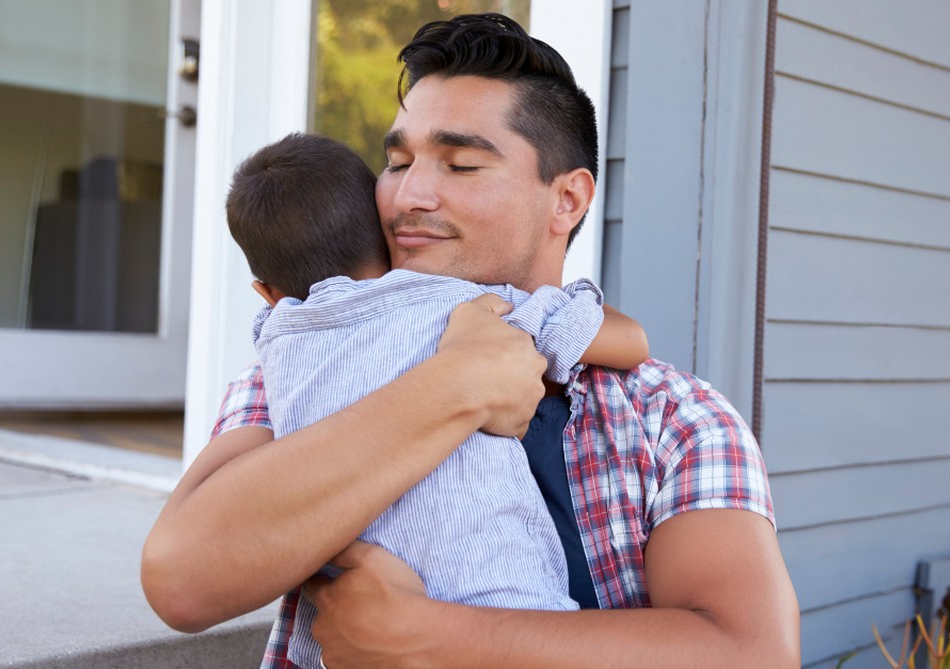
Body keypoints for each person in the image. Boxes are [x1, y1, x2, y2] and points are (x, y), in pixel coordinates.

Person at [142, 12, 801, 669]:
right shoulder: (306, 360)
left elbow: (752, 653)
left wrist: (429, 636)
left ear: (566, 200)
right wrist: (452, 387)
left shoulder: (674, 419)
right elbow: (183, 580)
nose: (408, 194)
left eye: (459, 164)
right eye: (397, 161)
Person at [225, 132, 648, 669]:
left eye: (463, 165)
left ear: (267, 293)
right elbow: (629, 343)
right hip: (499, 600)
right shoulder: (453, 304)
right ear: (388, 238)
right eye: (398, 164)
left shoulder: (274, 347)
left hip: (342, 632)